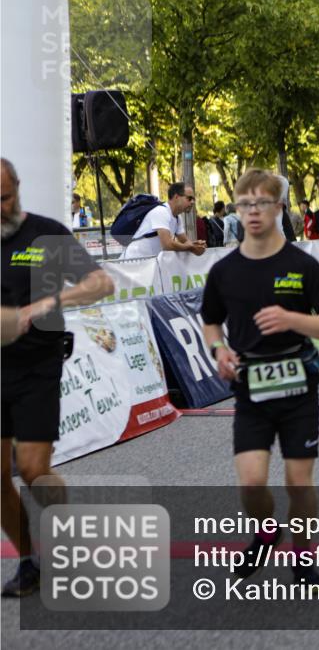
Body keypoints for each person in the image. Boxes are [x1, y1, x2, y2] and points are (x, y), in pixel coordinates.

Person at [201, 168, 319, 590]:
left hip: (299, 385)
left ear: (279, 207)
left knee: (299, 483)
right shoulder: (225, 270)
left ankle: (301, 555)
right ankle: (266, 531)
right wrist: (218, 350)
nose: (252, 213)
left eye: (261, 203)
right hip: (250, 388)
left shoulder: (302, 265)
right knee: (250, 483)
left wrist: (291, 318)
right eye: (245, 205)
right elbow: (210, 321)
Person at [1, 157, 115, 596]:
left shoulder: (45, 234)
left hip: (36, 366)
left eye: (5, 198)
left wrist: (49, 302)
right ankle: (32, 560)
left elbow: (102, 283)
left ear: (18, 188)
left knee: (32, 470)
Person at [122, 182, 206, 259]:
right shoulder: (161, 212)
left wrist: (197, 245)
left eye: (193, 199)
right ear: (176, 197)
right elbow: (167, 245)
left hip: (148, 263)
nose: (192, 202)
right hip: (133, 261)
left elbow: (185, 241)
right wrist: (190, 247)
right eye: (189, 198)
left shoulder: (177, 218)